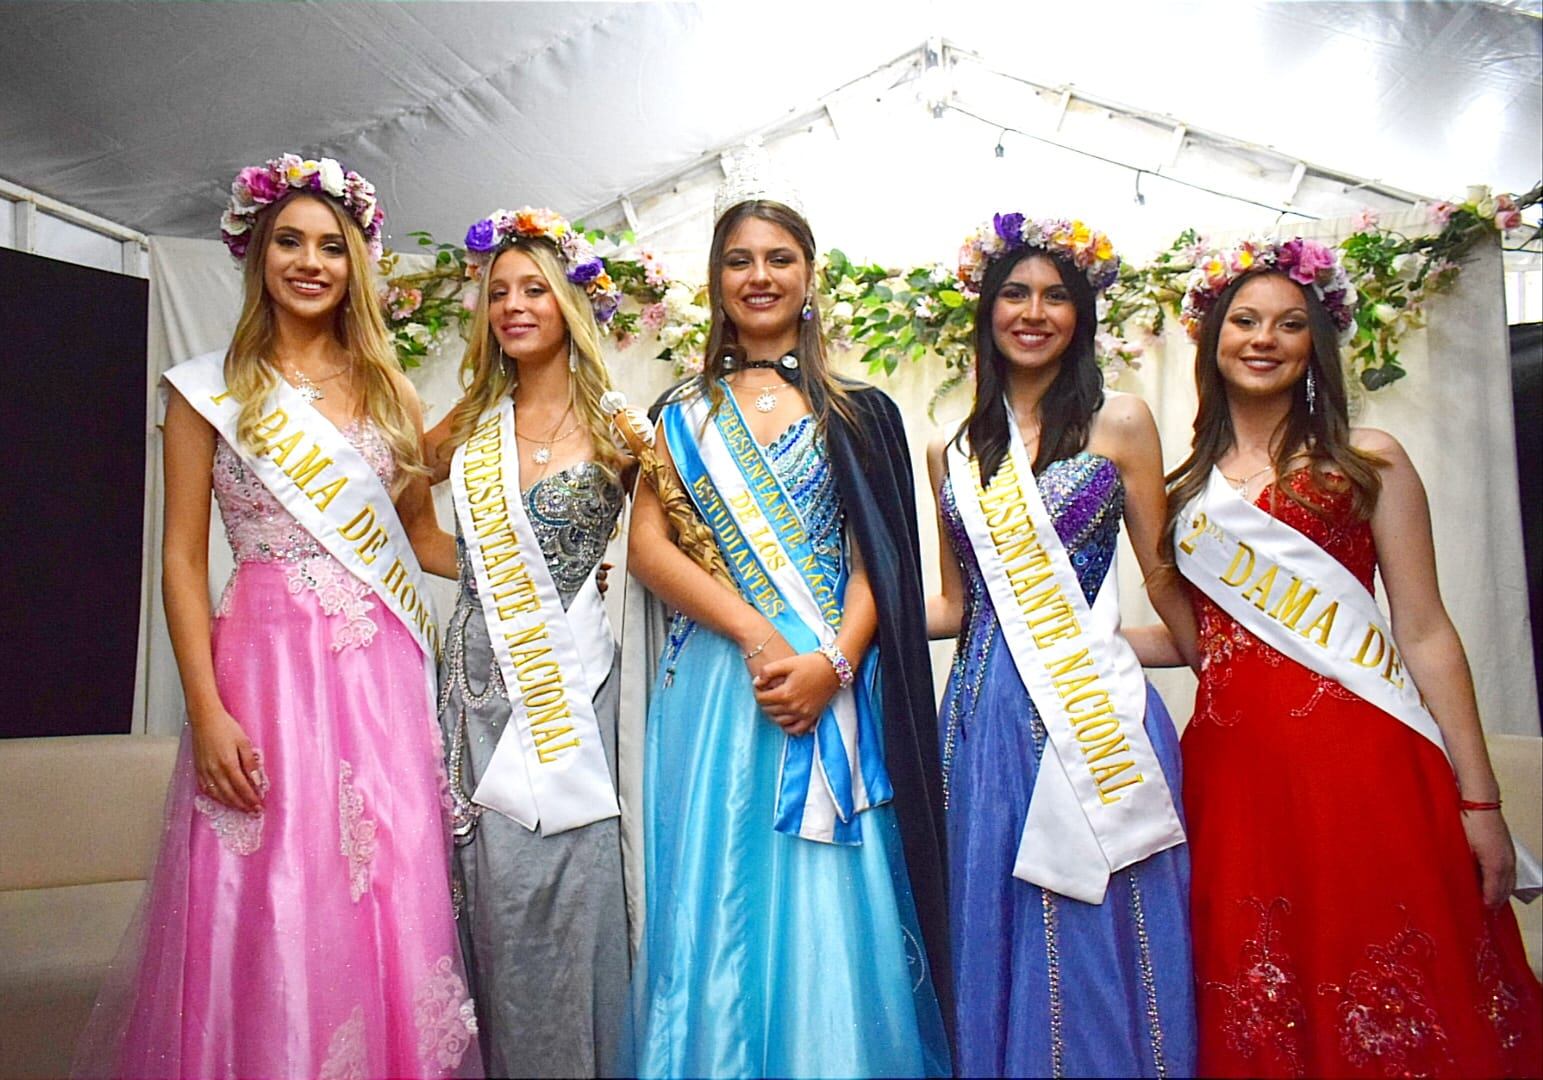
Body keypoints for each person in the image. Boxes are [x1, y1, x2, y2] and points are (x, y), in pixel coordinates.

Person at [74, 155, 478, 1078]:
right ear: (255, 254)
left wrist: (542, 566)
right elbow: (179, 556)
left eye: (330, 247)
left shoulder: (389, 389)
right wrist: (207, 711)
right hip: (260, 668)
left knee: (384, 879)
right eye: (288, 241)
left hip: (378, 669)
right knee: (268, 890)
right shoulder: (204, 388)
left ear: (356, 265)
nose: (309, 261)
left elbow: (421, 541)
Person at [1159, 238, 1542, 1077]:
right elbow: (1202, 635)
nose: (1263, 339)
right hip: (1234, 772)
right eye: (1245, 321)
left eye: (1289, 325)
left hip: (1365, 758)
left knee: (1386, 966)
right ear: (1212, 337)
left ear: (1313, 346)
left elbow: (1426, 629)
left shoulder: (1366, 459)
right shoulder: (1184, 487)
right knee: (1256, 970)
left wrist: (1480, 802)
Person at [622, 153, 951, 1078]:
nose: (758, 277)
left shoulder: (862, 411)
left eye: (778, 259)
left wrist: (832, 665)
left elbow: (876, 562)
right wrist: (764, 640)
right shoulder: (677, 411)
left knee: (827, 893)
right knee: (718, 888)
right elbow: (650, 550)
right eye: (738, 261)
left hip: (833, 687)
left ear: (809, 279)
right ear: (716, 284)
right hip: (725, 687)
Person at [926, 214, 1196, 1077]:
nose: (1032, 312)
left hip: (1094, 706)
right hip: (980, 718)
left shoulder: (1121, 422)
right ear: (988, 311)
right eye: (1014, 294)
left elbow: (1159, 577)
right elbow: (953, 603)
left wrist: (1225, 665)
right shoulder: (952, 445)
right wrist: (838, 629)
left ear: (1080, 314)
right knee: (992, 910)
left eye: (1054, 296)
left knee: (1100, 911)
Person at [423, 207, 630, 1077]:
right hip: (474, 680)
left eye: (533, 288)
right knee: (485, 887)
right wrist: (478, 579)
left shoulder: (624, 431)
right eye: (498, 291)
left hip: (571, 680)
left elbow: (667, 550)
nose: (513, 305)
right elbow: (410, 534)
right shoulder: (464, 427)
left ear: (569, 303)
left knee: (571, 881)